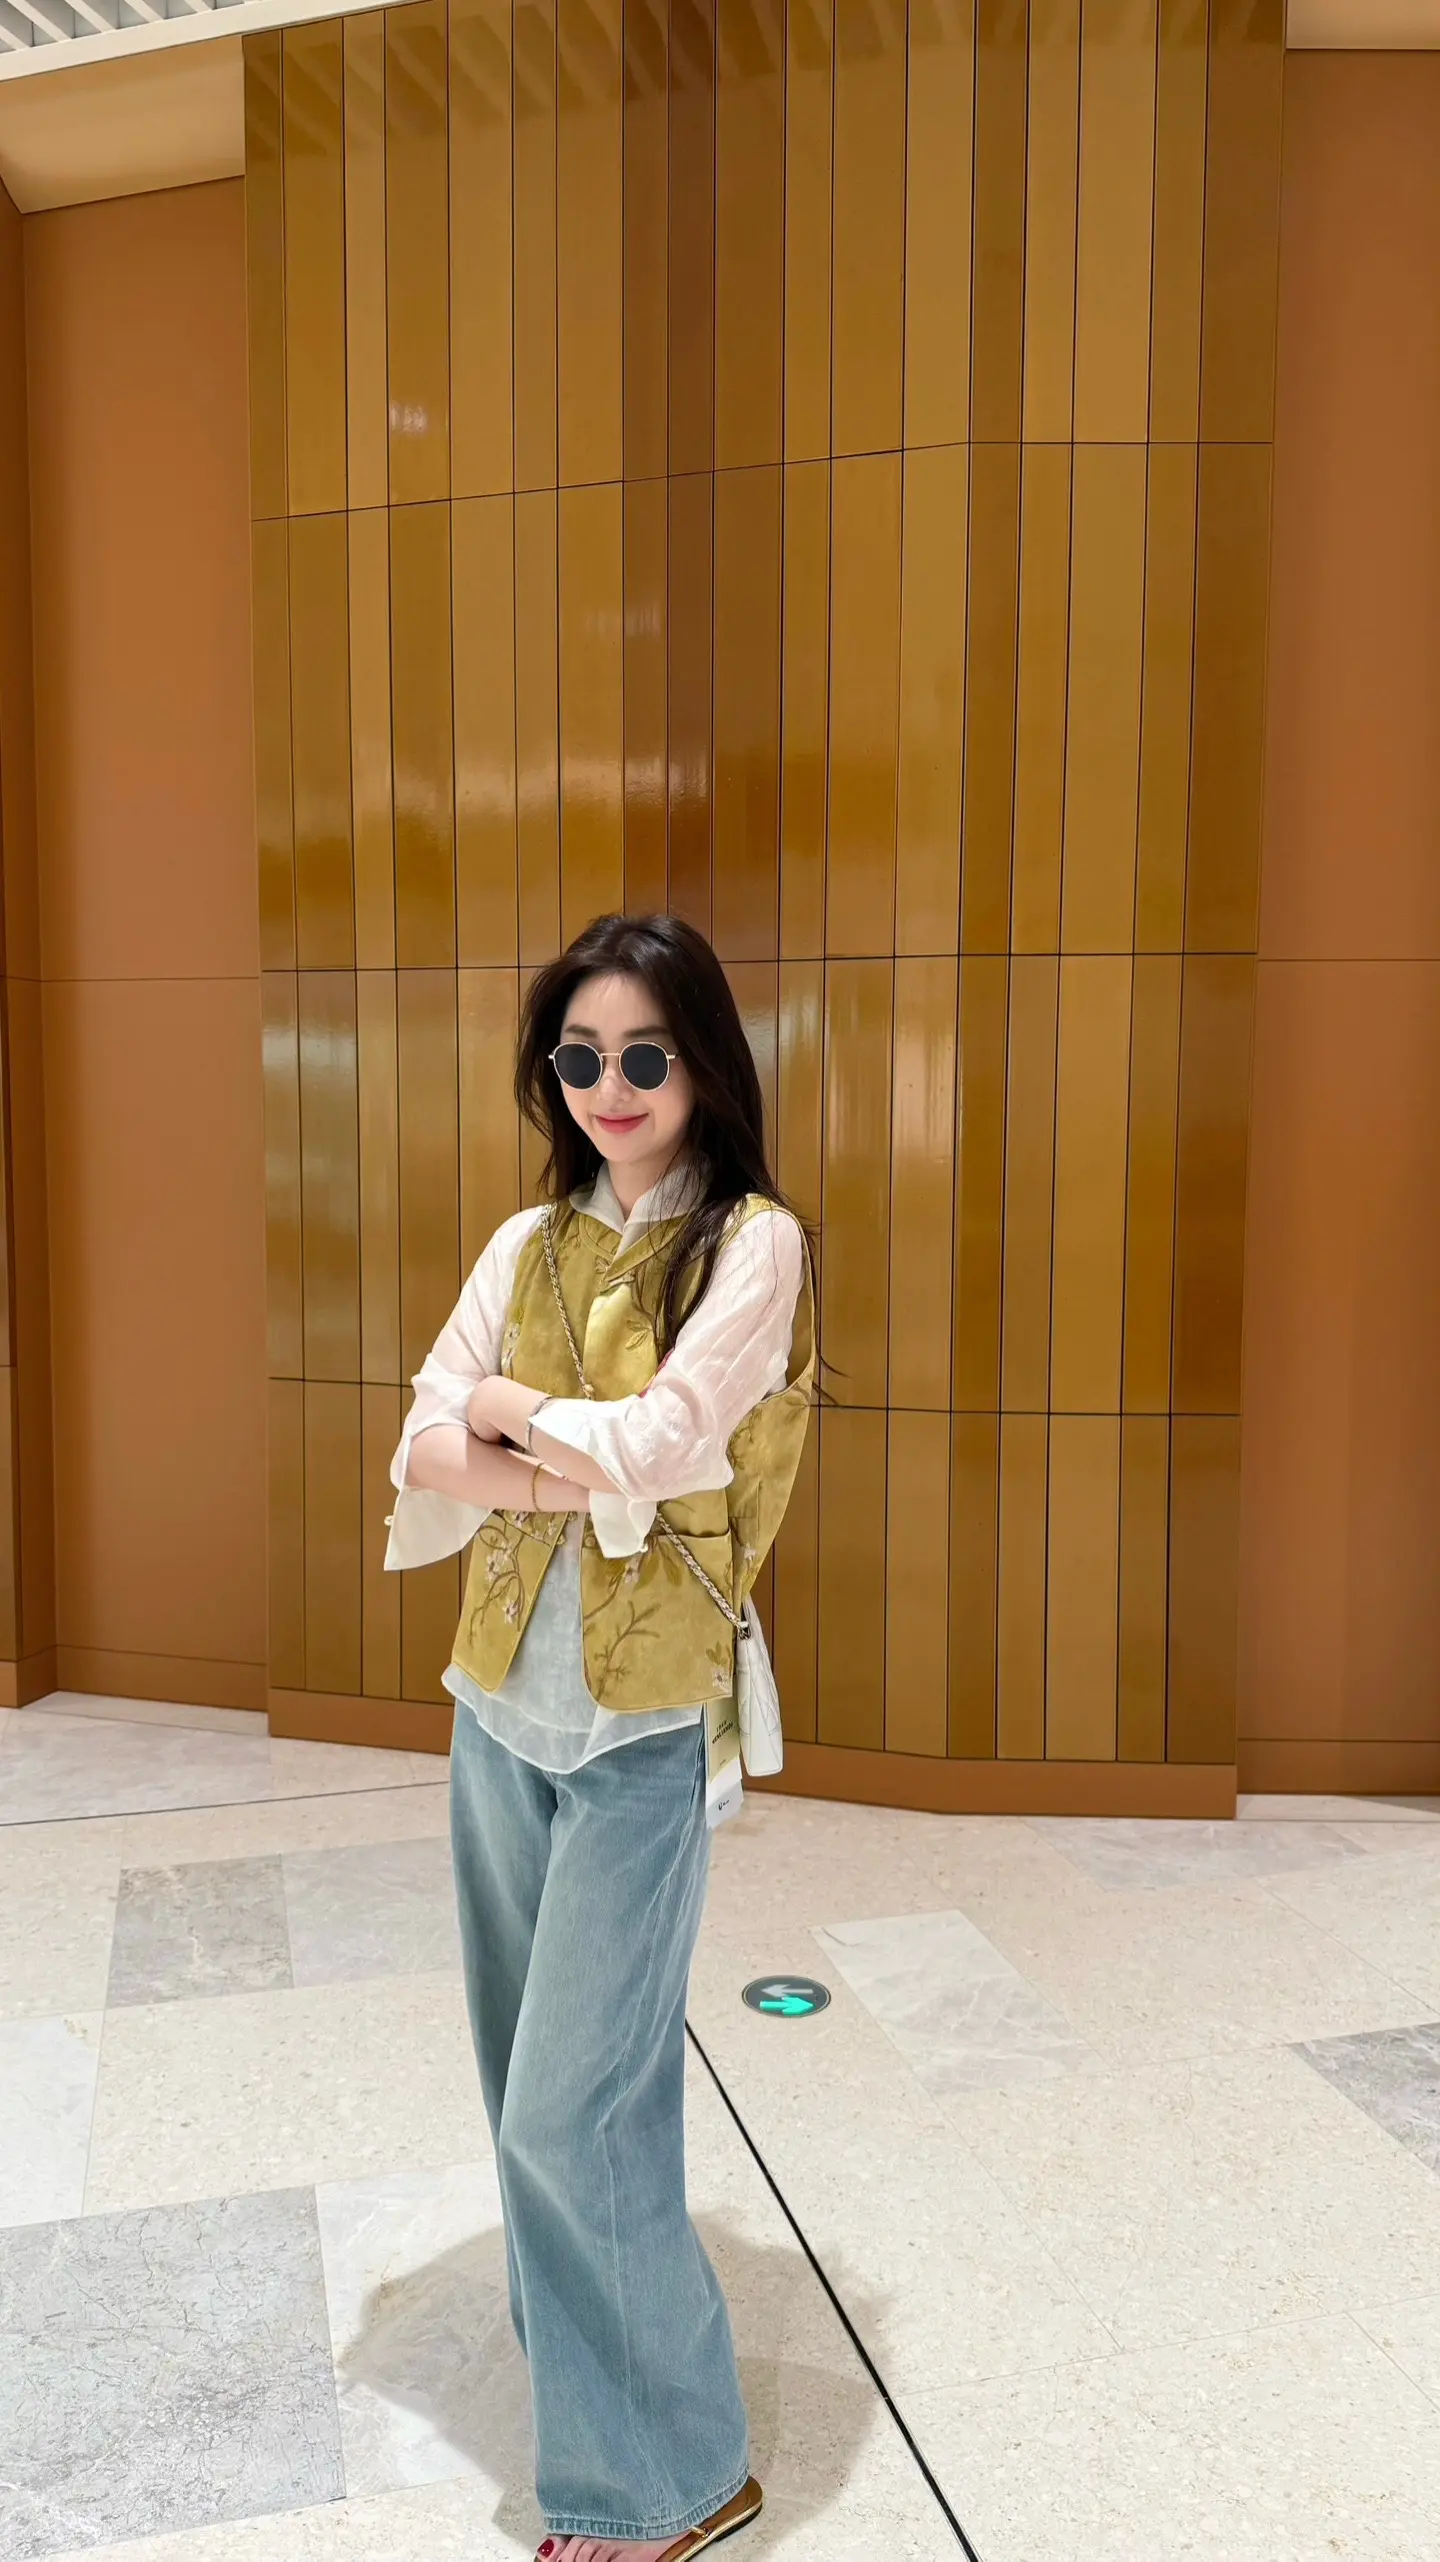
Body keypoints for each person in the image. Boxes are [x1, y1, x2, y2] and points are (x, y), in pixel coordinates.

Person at [384, 911, 816, 2562]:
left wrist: (512, 1416)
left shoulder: (752, 1246)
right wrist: (560, 1458)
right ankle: (588, 2372)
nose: (610, 1086)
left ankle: (672, 2475)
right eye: (579, 1057)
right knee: (522, 2083)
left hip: (642, 1725)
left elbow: (662, 1438)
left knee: (580, 2105)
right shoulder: (526, 1241)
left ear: (703, 1062)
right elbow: (424, 1445)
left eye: (644, 1053)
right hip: (498, 1704)